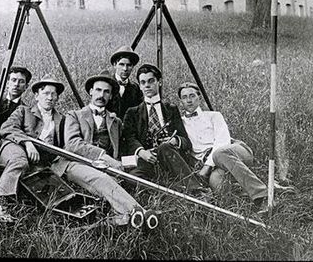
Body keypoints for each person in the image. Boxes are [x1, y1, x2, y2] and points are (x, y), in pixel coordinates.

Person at [52, 70, 152, 227]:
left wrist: (136, 157)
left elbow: (121, 148)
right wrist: (103, 156)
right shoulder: (74, 115)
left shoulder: (116, 122)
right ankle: (138, 212)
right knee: (102, 179)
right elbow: (72, 144)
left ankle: (120, 218)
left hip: (105, 166)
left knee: (124, 179)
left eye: (106, 92)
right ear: (91, 92)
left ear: (111, 96)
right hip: (74, 163)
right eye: (98, 90)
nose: (101, 95)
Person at [177, 82, 269, 214]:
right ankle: (245, 201)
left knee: (219, 153)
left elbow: (223, 141)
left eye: (192, 95)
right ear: (181, 102)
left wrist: (207, 167)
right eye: (184, 97)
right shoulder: (180, 123)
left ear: (199, 97)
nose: (189, 100)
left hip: (233, 151)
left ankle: (262, 196)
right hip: (212, 164)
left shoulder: (214, 115)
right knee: (216, 184)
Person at [122, 64, 206, 195]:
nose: (147, 85)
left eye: (151, 81)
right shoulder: (132, 112)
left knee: (165, 147)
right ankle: (169, 187)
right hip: (147, 158)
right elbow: (129, 138)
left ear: (159, 82)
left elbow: (186, 141)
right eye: (143, 82)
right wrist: (141, 152)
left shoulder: (171, 109)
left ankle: (196, 190)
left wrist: (175, 141)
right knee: (130, 180)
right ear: (139, 85)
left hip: (170, 156)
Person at [0, 74, 66, 222]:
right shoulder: (23, 111)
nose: (50, 98)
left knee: (46, 181)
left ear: (57, 98)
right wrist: (27, 142)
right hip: (15, 146)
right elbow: (7, 128)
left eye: (53, 94)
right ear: (37, 96)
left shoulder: (62, 119)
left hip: (40, 159)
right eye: (45, 93)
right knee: (20, 161)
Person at [106, 45, 143, 119]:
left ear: (132, 67)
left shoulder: (136, 88)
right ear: (115, 65)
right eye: (121, 64)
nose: (125, 69)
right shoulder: (106, 85)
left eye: (129, 65)